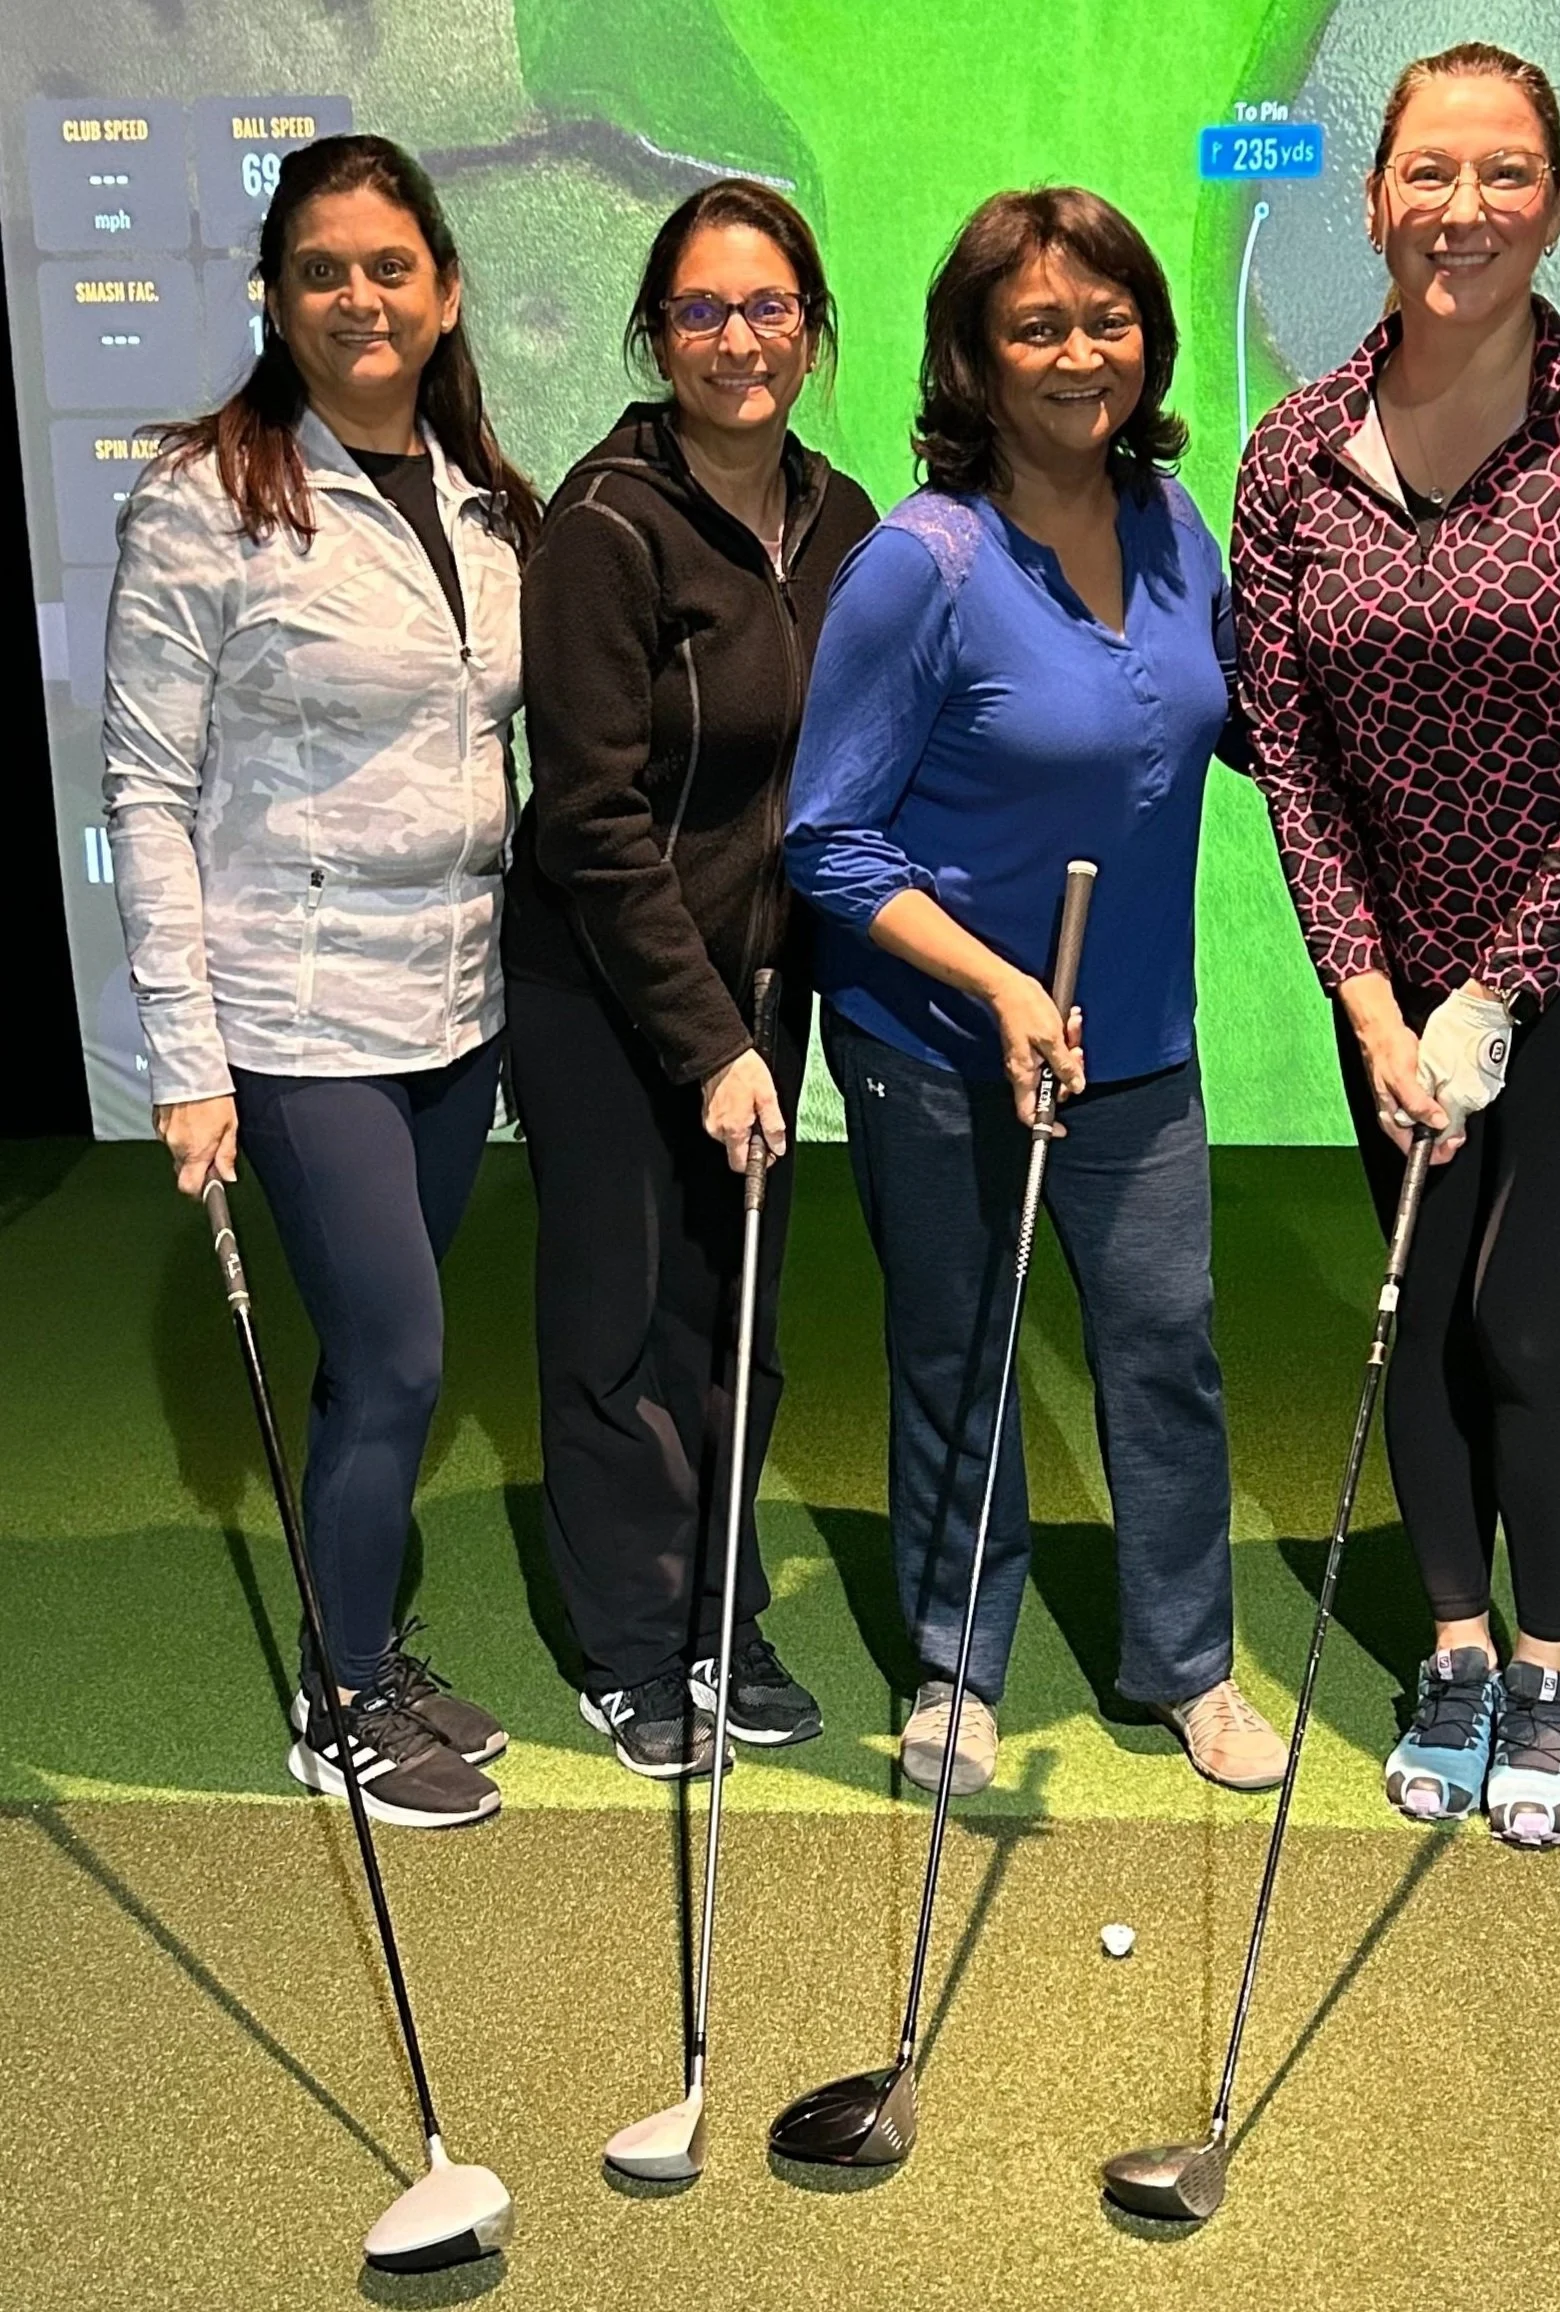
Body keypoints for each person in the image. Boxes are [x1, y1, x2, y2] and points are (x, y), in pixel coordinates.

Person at [1233, 42, 1560, 1846]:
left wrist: (1500, 986)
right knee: (1425, 1305)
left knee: (1528, 1315)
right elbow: (1290, 753)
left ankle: (1547, 1670)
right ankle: (1454, 1651)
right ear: (1373, 201)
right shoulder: (1294, 454)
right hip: (1396, 980)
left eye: (1505, 172)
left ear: (1554, 201)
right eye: (1429, 174)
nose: (1466, 208)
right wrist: (1371, 1000)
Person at [785, 187, 1289, 1798]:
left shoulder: (1174, 524)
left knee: (1164, 1349)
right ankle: (957, 1661)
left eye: (1108, 320)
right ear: (977, 359)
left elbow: (1233, 721)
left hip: (1133, 1036)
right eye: (1039, 328)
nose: (1081, 355)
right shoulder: (919, 566)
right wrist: (1001, 988)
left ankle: (1188, 1663)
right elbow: (829, 840)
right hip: (941, 1044)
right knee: (961, 1355)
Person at [103, 135, 540, 1828]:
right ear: (275, 299)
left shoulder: (484, 496)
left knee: (377, 1364)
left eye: (390, 268)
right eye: (321, 271)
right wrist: (185, 1059)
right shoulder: (205, 496)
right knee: (402, 1357)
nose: (360, 297)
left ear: (446, 291)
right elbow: (148, 791)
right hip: (293, 1017)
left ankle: (361, 1640)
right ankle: (342, 1705)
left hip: (455, 1007)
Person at [502, 182, 877, 1780]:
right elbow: (588, 817)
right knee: (618, 1324)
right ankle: (634, 1649)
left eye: (769, 307)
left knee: (737, 1319)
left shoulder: (846, 521)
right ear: (657, 336)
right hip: (603, 987)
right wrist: (709, 1040)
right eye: (704, 311)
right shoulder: (604, 525)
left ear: (812, 329)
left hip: (761, 992)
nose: (740, 340)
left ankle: (724, 1614)